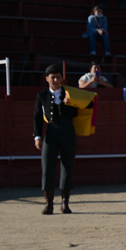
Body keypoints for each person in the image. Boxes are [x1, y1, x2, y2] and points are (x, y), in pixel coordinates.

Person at [33, 65, 80, 215]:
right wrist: (38, 136)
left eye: (58, 77)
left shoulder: (70, 93)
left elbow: (84, 107)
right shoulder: (42, 96)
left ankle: (65, 203)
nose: (55, 80)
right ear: (47, 79)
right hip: (51, 133)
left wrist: (70, 103)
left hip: (68, 133)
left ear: (61, 78)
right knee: (47, 168)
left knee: (67, 167)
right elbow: (37, 118)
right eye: (52, 77)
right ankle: (49, 203)